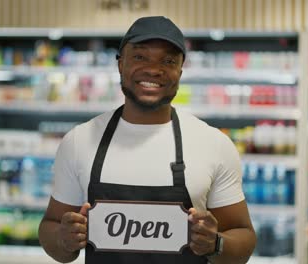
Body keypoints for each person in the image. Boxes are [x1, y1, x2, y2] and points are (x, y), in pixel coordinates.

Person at [39, 16, 256, 264]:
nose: (154, 69)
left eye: (168, 60)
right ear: (120, 64)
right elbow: (50, 229)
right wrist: (63, 240)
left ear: (180, 72)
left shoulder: (214, 144)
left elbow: (244, 238)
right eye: (140, 57)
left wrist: (216, 243)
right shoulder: (78, 141)